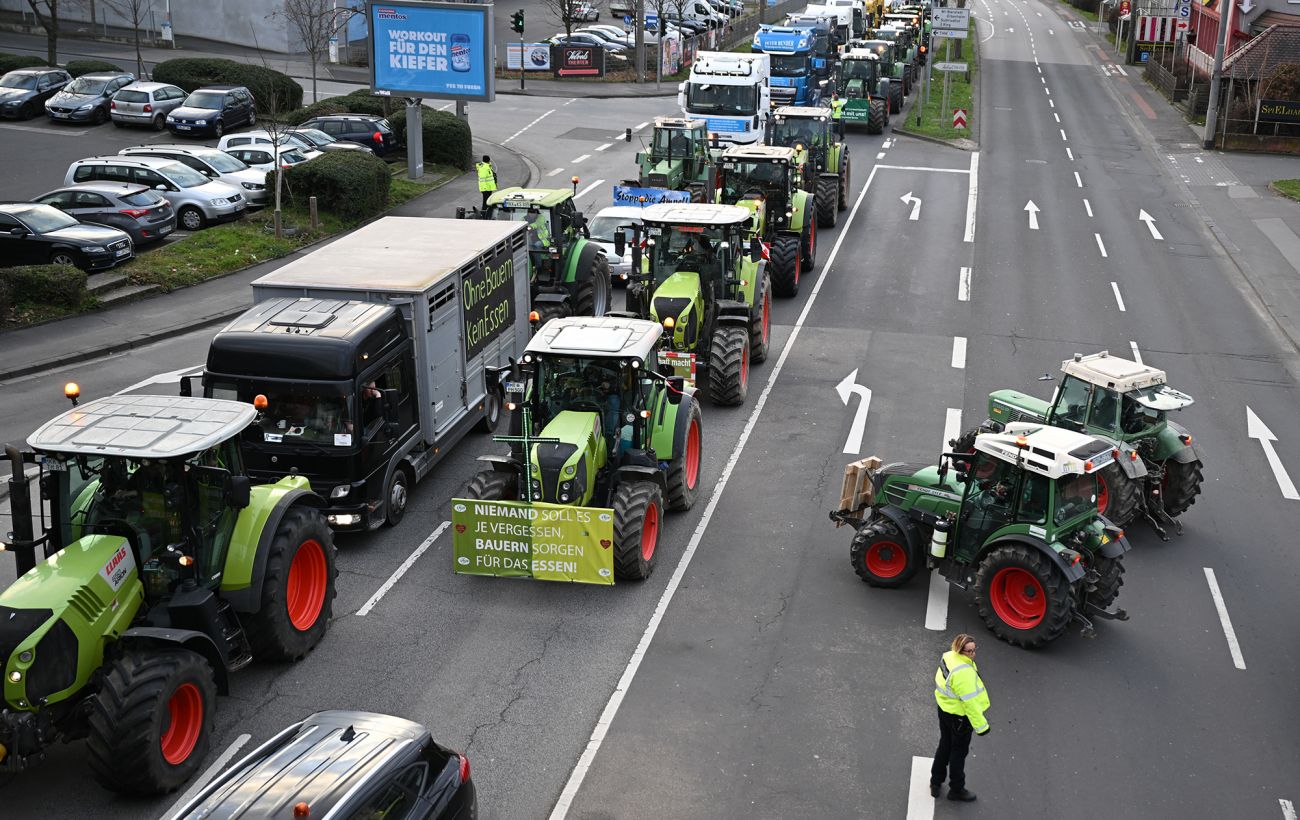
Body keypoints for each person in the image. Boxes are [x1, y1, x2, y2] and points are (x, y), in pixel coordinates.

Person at [931, 633, 990, 802]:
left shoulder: (949, 657)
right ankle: (956, 789)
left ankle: (935, 781)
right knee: (958, 754)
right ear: (960, 649)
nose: (973, 654)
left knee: (944, 745)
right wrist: (982, 727)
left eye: (974, 650)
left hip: (945, 710)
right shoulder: (964, 673)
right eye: (969, 651)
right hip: (959, 718)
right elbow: (970, 703)